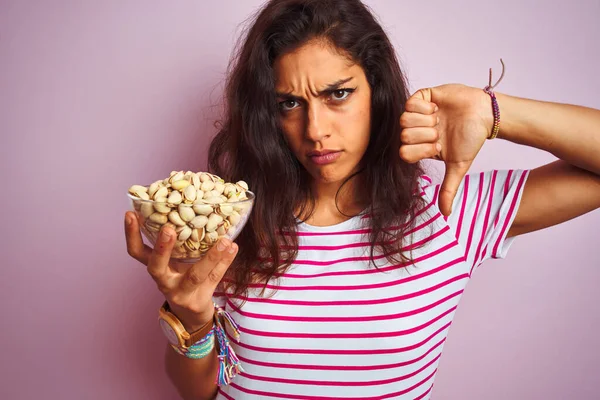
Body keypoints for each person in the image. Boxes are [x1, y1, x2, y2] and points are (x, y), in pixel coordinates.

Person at [124, 0, 600, 398]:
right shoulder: (228, 223)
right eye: (289, 103)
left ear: (379, 93)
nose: (316, 131)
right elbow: (198, 392)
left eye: (338, 94)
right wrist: (191, 320)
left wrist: (494, 111)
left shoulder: (448, 213)